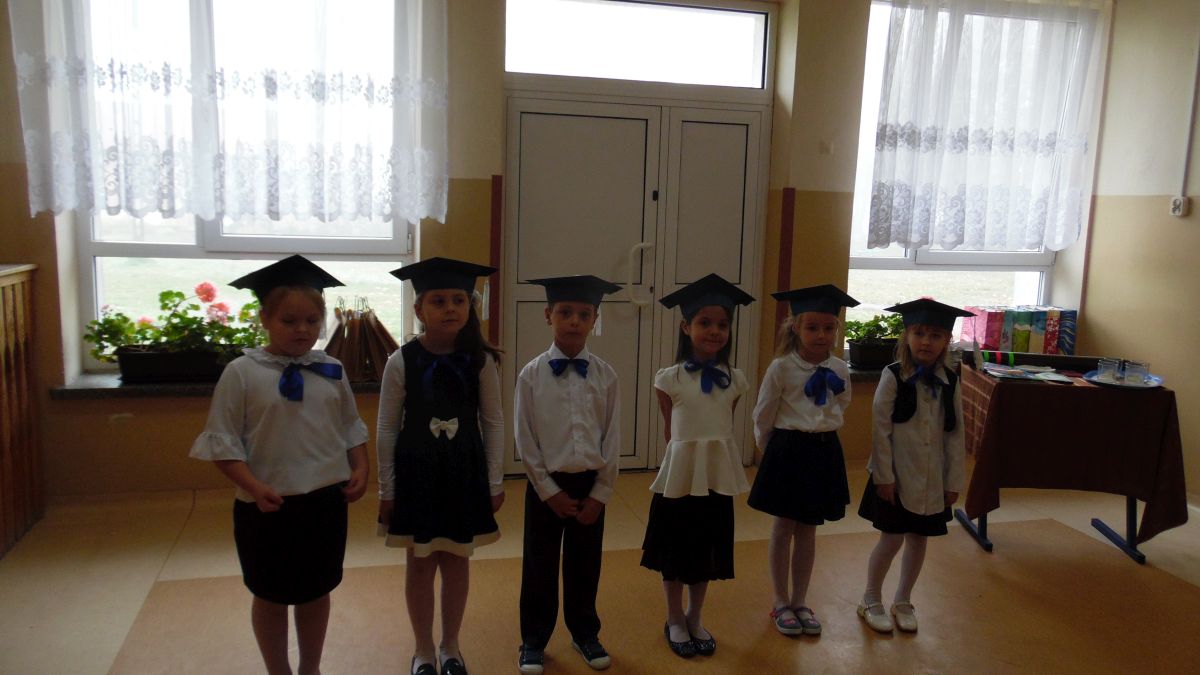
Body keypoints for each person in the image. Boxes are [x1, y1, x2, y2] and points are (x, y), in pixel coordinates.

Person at [190, 254, 370, 675]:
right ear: (265, 320)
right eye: (289, 321)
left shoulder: (331, 368)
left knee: (316, 591)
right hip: (266, 506)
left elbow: (350, 425)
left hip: (324, 503)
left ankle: (310, 668)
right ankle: (278, 670)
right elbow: (222, 442)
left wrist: (360, 467)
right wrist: (254, 486)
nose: (302, 329)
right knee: (270, 594)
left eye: (312, 320)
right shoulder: (241, 373)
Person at [377, 257, 506, 675]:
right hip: (417, 472)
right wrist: (387, 489)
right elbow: (386, 427)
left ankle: (451, 647)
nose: (450, 308)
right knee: (419, 564)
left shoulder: (481, 361)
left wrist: (494, 481)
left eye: (458, 300)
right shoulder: (401, 360)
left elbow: (493, 421)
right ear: (419, 309)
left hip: (463, 471)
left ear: (470, 306)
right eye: (438, 301)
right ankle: (423, 651)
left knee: (456, 561)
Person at [640, 274, 755, 660]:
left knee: (706, 549)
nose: (715, 331)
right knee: (675, 550)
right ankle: (674, 617)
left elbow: (724, 426)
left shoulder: (735, 380)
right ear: (686, 326)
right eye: (705, 323)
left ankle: (695, 615)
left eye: (722, 324)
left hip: (715, 478)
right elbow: (670, 430)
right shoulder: (668, 378)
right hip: (681, 478)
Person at [515, 275, 623, 674]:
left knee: (585, 564)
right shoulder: (531, 375)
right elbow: (525, 438)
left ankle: (585, 633)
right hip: (547, 487)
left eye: (583, 314)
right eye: (565, 312)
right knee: (538, 565)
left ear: (595, 318)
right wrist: (548, 490)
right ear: (549, 315)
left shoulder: (606, 376)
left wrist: (601, 493)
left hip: (590, 485)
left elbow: (612, 437)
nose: (574, 321)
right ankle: (533, 640)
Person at [747, 284, 860, 637]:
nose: (821, 335)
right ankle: (780, 601)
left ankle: (800, 600)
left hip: (823, 452)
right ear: (796, 327)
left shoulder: (839, 368)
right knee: (783, 527)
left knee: (809, 529)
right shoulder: (781, 368)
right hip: (787, 451)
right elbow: (763, 414)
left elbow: (841, 403)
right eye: (812, 327)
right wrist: (771, 452)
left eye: (828, 328)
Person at [857, 298, 972, 634]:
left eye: (935, 335)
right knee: (891, 539)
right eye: (919, 333)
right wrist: (884, 477)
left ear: (946, 340)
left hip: (932, 480)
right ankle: (870, 598)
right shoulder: (893, 376)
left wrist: (953, 482)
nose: (926, 341)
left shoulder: (950, 381)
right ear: (906, 335)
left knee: (919, 540)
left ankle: (903, 600)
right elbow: (880, 430)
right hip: (895, 477)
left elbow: (955, 434)